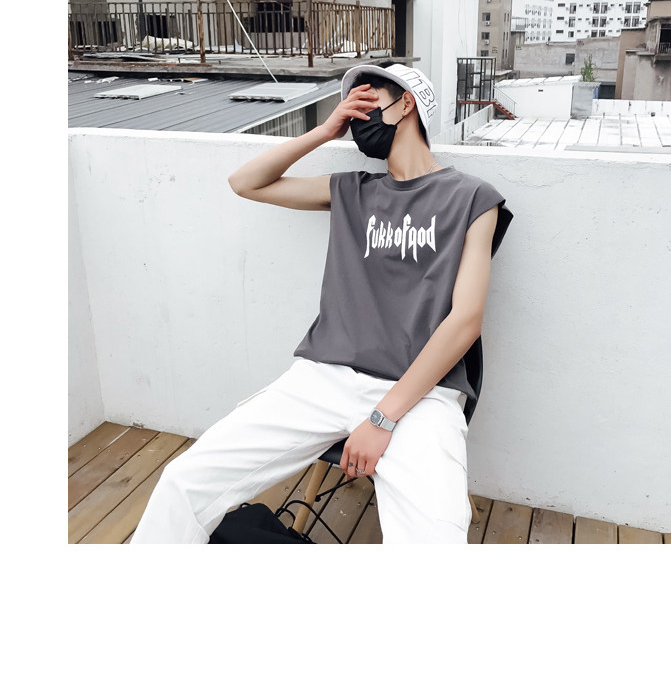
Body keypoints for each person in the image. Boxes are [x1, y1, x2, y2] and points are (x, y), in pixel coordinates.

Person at [131, 63, 511, 544]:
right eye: (350, 110)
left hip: (420, 393)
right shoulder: (352, 190)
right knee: (184, 482)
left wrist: (382, 418)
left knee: (436, 538)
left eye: (366, 104)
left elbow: (466, 321)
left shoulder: (473, 197)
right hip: (324, 378)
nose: (357, 118)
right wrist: (326, 129)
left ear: (406, 104)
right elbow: (245, 182)